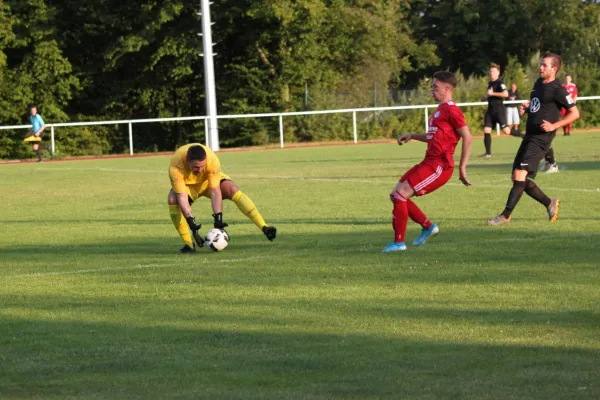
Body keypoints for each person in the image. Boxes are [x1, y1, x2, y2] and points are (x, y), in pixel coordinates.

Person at [382, 71, 472, 252]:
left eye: (435, 87)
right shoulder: (440, 110)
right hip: (428, 162)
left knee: (400, 195)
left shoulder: (452, 110)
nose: (432, 89)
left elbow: (467, 137)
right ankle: (428, 227)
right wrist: (413, 135)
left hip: (440, 166)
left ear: (447, 89)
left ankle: (399, 243)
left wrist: (462, 166)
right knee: (396, 195)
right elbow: (434, 137)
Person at [487, 52, 579, 227]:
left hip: (541, 139)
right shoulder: (538, 83)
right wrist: (528, 107)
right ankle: (549, 202)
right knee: (517, 178)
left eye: (544, 65)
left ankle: (505, 215)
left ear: (554, 69)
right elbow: (539, 105)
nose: (540, 67)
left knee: (520, 175)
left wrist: (554, 125)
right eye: (541, 64)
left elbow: (575, 113)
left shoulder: (558, 89)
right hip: (529, 136)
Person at [168, 143, 277, 253]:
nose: (200, 170)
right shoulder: (176, 167)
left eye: (202, 166)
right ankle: (189, 245)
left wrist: (218, 220)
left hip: (208, 183)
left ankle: (264, 227)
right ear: (187, 160)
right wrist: (192, 227)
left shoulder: (212, 160)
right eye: (196, 167)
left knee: (232, 189)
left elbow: (215, 191)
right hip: (189, 186)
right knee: (173, 199)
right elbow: (182, 197)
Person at [480, 63, 512, 157]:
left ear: (498, 73)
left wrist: (493, 93)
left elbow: (506, 94)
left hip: (499, 111)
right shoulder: (490, 83)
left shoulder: (500, 83)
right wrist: (486, 98)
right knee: (486, 130)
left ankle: (524, 136)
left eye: (493, 71)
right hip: (490, 111)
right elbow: (491, 96)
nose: (491, 73)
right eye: (490, 71)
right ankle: (488, 153)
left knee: (506, 131)